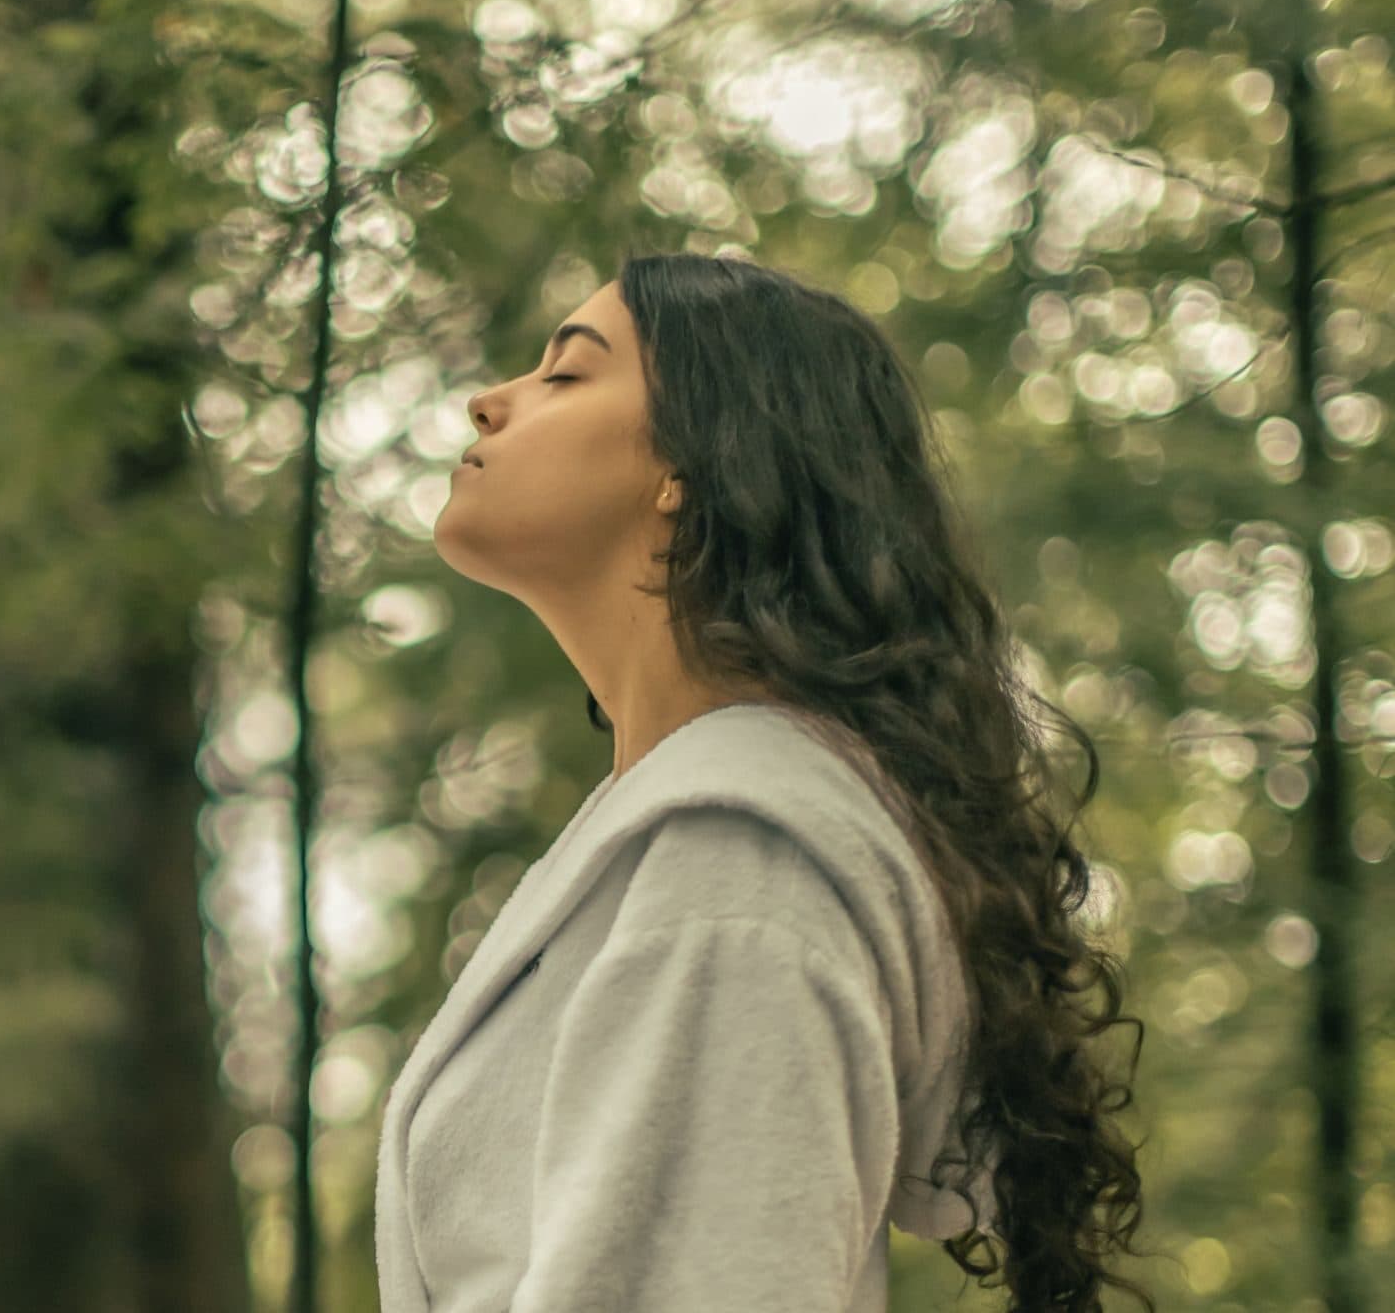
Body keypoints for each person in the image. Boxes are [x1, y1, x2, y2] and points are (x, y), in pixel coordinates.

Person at [373, 253, 1153, 1312]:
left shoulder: (736, 865)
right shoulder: (678, 848)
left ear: (687, 462)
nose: (489, 400)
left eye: (565, 374)